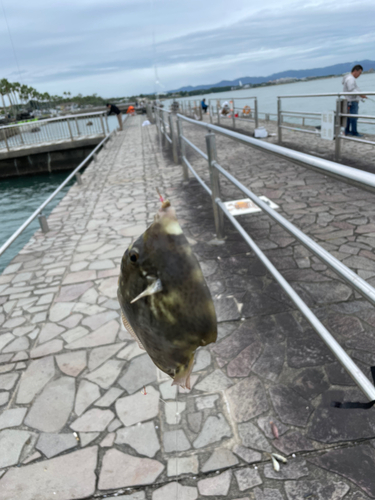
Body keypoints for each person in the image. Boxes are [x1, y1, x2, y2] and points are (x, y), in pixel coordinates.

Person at [342, 65, 367, 137]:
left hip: (348, 100)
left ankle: (347, 131)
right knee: (354, 117)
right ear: (355, 71)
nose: (359, 75)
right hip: (352, 101)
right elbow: (351, 89)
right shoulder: (351, 79)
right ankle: (354, 132)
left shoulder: (348, 78)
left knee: (349, 117)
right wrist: (361, 95)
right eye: (359, 73)